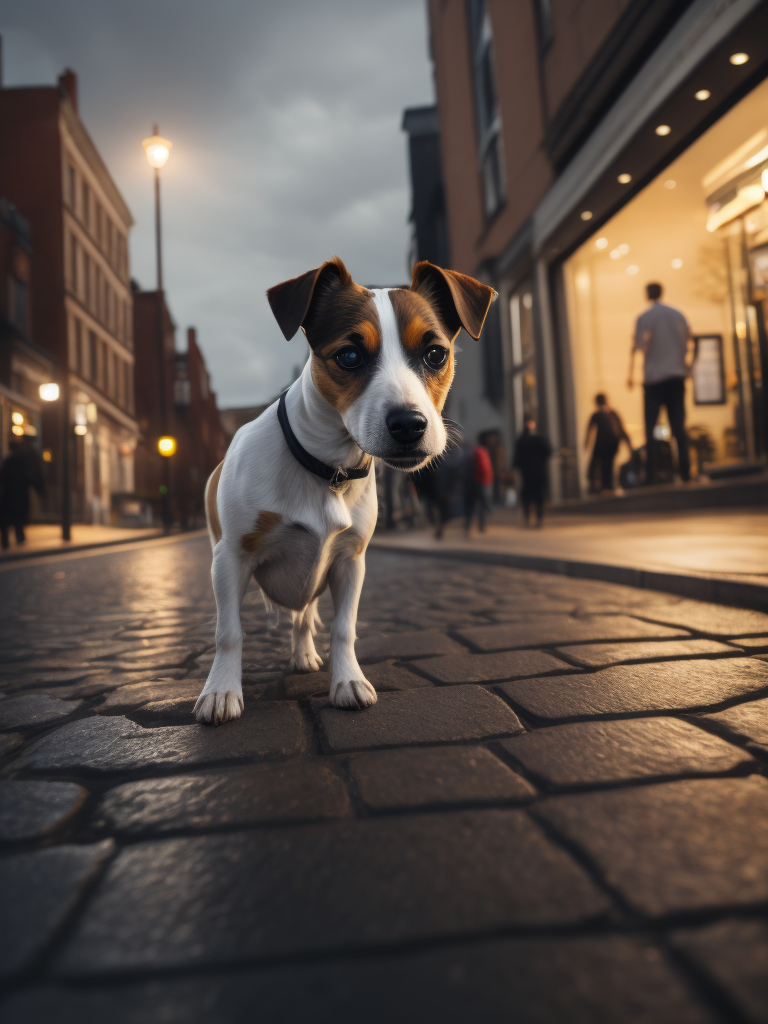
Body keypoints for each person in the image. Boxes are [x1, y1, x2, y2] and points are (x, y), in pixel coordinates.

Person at [628, 282, 694, 484]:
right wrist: (689, 368)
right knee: (678, 427)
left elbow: (636, 347)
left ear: (648, 293)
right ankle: (685, 473)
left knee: (650, 429)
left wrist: (630, 375)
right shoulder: (677, 314)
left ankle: (651, 476)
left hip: (654, 379)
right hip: (675, 377)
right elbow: (692, 341)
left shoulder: (644, 317)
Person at [584, 393, 631, 493]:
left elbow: (590, 430)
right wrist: (628, 444)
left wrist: (586, 443)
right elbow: (622, 430)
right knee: (608, 464)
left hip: (603, 445)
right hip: (613, 444)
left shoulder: (597, 414)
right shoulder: (613, 413)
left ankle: (604, 486)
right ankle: (607, 486)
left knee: (599, 464)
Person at [512, 418, 552, 526]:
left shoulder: (522, 440)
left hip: (528, 473)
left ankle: (531, 518)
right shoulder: (536, 439)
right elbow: (547, 452)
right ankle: (536, 518)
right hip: (536, 472)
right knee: (536, 495)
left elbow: (516, 458)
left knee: (529, 495)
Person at [0, 441, 34, 550]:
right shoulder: (20, 462)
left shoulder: (9, 462)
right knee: (17, 518)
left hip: (10, 496)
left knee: (7, 519)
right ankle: (18, 537)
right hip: (18, 496)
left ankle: (6, 541)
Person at [464, 434, 494, 533]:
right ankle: (481, 527)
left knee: (471, 506)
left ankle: (467, 527)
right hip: (481, 483)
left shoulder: (474, 451)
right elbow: (484, 468)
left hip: (472, 482)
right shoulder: (482, 452)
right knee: (481, 506)